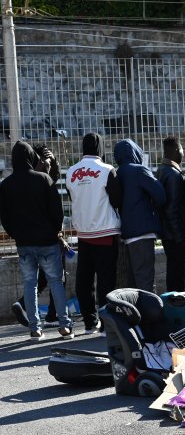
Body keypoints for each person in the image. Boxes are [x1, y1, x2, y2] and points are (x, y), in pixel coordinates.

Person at [0, 141, 73, 340]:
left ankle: (35, 328)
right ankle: (65, 326)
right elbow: (57, 212)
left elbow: (4, 217)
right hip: (47, 241)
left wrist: (16, 234)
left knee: (29, 284)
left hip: (24, 243)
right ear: (31, 157)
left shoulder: (6, 185)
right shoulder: (44, 179)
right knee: (56, 282)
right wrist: (54, 232)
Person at [65, 132, 122, 334]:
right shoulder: (107, 170)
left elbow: (73, 196)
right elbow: (116, 200)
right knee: (106, 279)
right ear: (100, 147)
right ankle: (107, 324)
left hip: (83, 231)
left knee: (84, 279)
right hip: (105, 230)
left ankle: (89, 322)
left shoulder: (71, 171)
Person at [11, 144, 64, 327]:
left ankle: (41, 320)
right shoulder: (39, 179)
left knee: (35, 280)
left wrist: (52, 164)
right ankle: (57, 318)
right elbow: (54, 207)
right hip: (46, 237)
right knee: (55, 277)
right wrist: (55, 230)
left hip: (26, 240)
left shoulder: (13, 181)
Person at [115, 138, 166, 292]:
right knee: (145, 279)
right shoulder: (139, 170)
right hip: (142, 232)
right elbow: (161, 195)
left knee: (132, 280)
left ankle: (136, 314)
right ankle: (150, 314)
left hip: (126, 232)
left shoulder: (117, 172)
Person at [156, 136, 185, 292]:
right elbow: (172, 208)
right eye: (182, 149)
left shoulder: (162, 170)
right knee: (178, 271)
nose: (183, 153)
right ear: (177, 150)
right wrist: (179, 235)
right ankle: (178, 303)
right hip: (174, 234)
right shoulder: (173, 175)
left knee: (173, 269)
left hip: (166, 231)